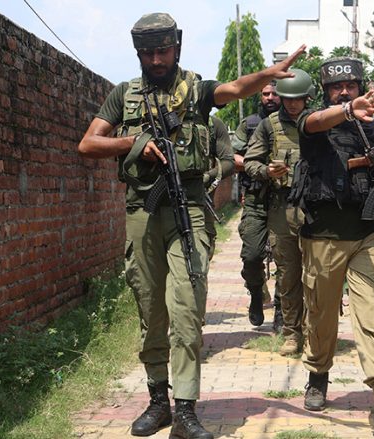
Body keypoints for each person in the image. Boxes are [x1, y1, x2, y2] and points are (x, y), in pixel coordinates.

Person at [77, 12, 303, 439]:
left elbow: (235, 89)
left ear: (176, 48)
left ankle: (185, 408)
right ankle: (158, 400)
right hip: (143, 212)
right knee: (151, 308)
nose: (156, 59)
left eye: (163, 50)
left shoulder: (196, 91)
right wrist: (136, 143)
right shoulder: (123, 94)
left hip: (189, 211)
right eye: (147, 52)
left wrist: (268, 75)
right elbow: (88, 143)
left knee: (185, 308)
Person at [288, 57, 374, 437]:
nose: (345, 92)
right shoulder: (313, 123)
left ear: (361, 87)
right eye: (336, 89)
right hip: (323, 237)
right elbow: (312, 123)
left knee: (373, 316)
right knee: (322, 315)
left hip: (366, 236)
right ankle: (318, 373)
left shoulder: (372, 131)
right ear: (325, 93)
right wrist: (344, 111)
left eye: (351, 87)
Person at [243, 69, 315, 356]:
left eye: (298, 98)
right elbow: (250, 162)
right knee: (288, 274)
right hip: (282, 207)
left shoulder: (318, 123)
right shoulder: (269, 126)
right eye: (288, 98)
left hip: (315, 208)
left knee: (317, 273)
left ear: (307, 98)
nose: (292, 104)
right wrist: (267, 171)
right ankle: (291, 332)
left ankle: (314, 330)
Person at [233, 83, 283, 329]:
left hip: (285, 198)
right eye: (265, 94)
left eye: (275, 93)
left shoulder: (291, 123)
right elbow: (231, 156)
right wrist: (257, 165)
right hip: (255, 197)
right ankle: (255, 292)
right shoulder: (250, 124)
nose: (270, 98)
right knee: (252, 255)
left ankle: (283, 308)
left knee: (288, 257)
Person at [203, 115, 235, 260]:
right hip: (164, 207)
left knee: (202, 260)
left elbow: (228, 162)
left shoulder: (212, 124)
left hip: (202, 203)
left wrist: (208, 176)